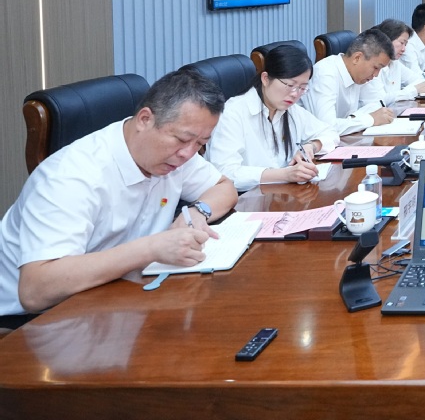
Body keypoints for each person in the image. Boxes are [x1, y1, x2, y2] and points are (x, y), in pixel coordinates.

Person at [0, 68, 237, 324]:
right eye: (182, 139)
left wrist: (198, 210)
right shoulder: (70, 176)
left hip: (112, 295)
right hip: (32, 320)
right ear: (145, 119)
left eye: (201, 144)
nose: (188, 154)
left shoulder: (174, 154)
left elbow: (224, 187)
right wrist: (151, 248)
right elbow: (36, 291)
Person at [206, 45, 339, 192]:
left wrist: (311, 146)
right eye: (289, 85)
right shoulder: (233, 113)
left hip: (281, 195)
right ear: (265, 79)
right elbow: (226, 173)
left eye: (302, 88)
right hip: (245, 198)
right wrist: (285, 175)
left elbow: (330, 133)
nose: (295, 94)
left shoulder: (291, 110)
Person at [301, 27, 394, 135]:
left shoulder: (360, 74)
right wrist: (369, 119)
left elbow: (376, 105)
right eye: (376, 68)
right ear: (357, 58)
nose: (376, 75)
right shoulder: (325, 74)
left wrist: (353, 119)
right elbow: (327, 127)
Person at [373, 19, 425, 103]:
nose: (404, 49)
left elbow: (418, 79)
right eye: (401, 43)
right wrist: (414, 90)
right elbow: (382, 100)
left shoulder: (395, 63)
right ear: (387, 40)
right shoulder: (374, 66)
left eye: (405, 44)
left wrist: (418, 88)